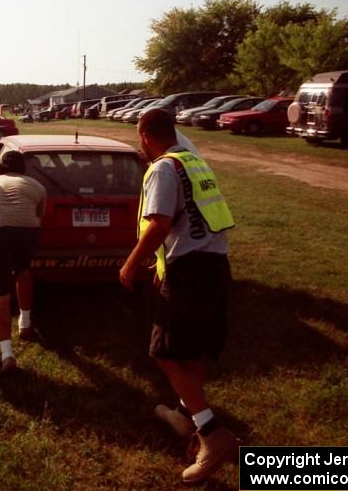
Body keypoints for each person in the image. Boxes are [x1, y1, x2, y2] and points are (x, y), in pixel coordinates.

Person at [118, 109, 237, 485]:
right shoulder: (195, 163)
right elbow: (193, 221)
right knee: (193, 350)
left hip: (191, 273)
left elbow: (161, 223)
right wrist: (162, 264)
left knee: (165, 353)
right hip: (216, 265)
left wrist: (131, 265)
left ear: (144, 136)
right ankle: (186, 417)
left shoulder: (163, 168)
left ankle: (212, 434)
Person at [0, 151, 46, 374]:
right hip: (28, 232)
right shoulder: (37, 186)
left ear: (0, 167)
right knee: (24, 270)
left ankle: (7, 354)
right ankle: (25, 322)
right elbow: (38, 216)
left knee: (0, 294)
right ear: (23, 168)